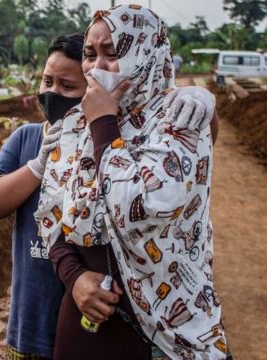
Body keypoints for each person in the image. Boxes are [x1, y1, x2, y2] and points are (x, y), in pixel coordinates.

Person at [0, 33, 218, 359]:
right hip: (31, 326)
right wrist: (38, 166)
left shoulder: (114, 145)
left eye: (67, 86)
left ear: (94, 89)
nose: (51, 92)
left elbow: (184, 156)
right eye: (47, 81)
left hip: (94, 328)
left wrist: (201, 100)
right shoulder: (27, 138)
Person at [37, 5, 229, 359]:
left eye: (113, 53)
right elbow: (52, 216)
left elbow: (138, 208)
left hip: (165, 328)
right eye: (90, 54)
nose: (96, 68)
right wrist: (74, 277)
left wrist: (104, 125)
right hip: (87, 321)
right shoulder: (77, 126)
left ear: (146, 53)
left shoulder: (180, 117)